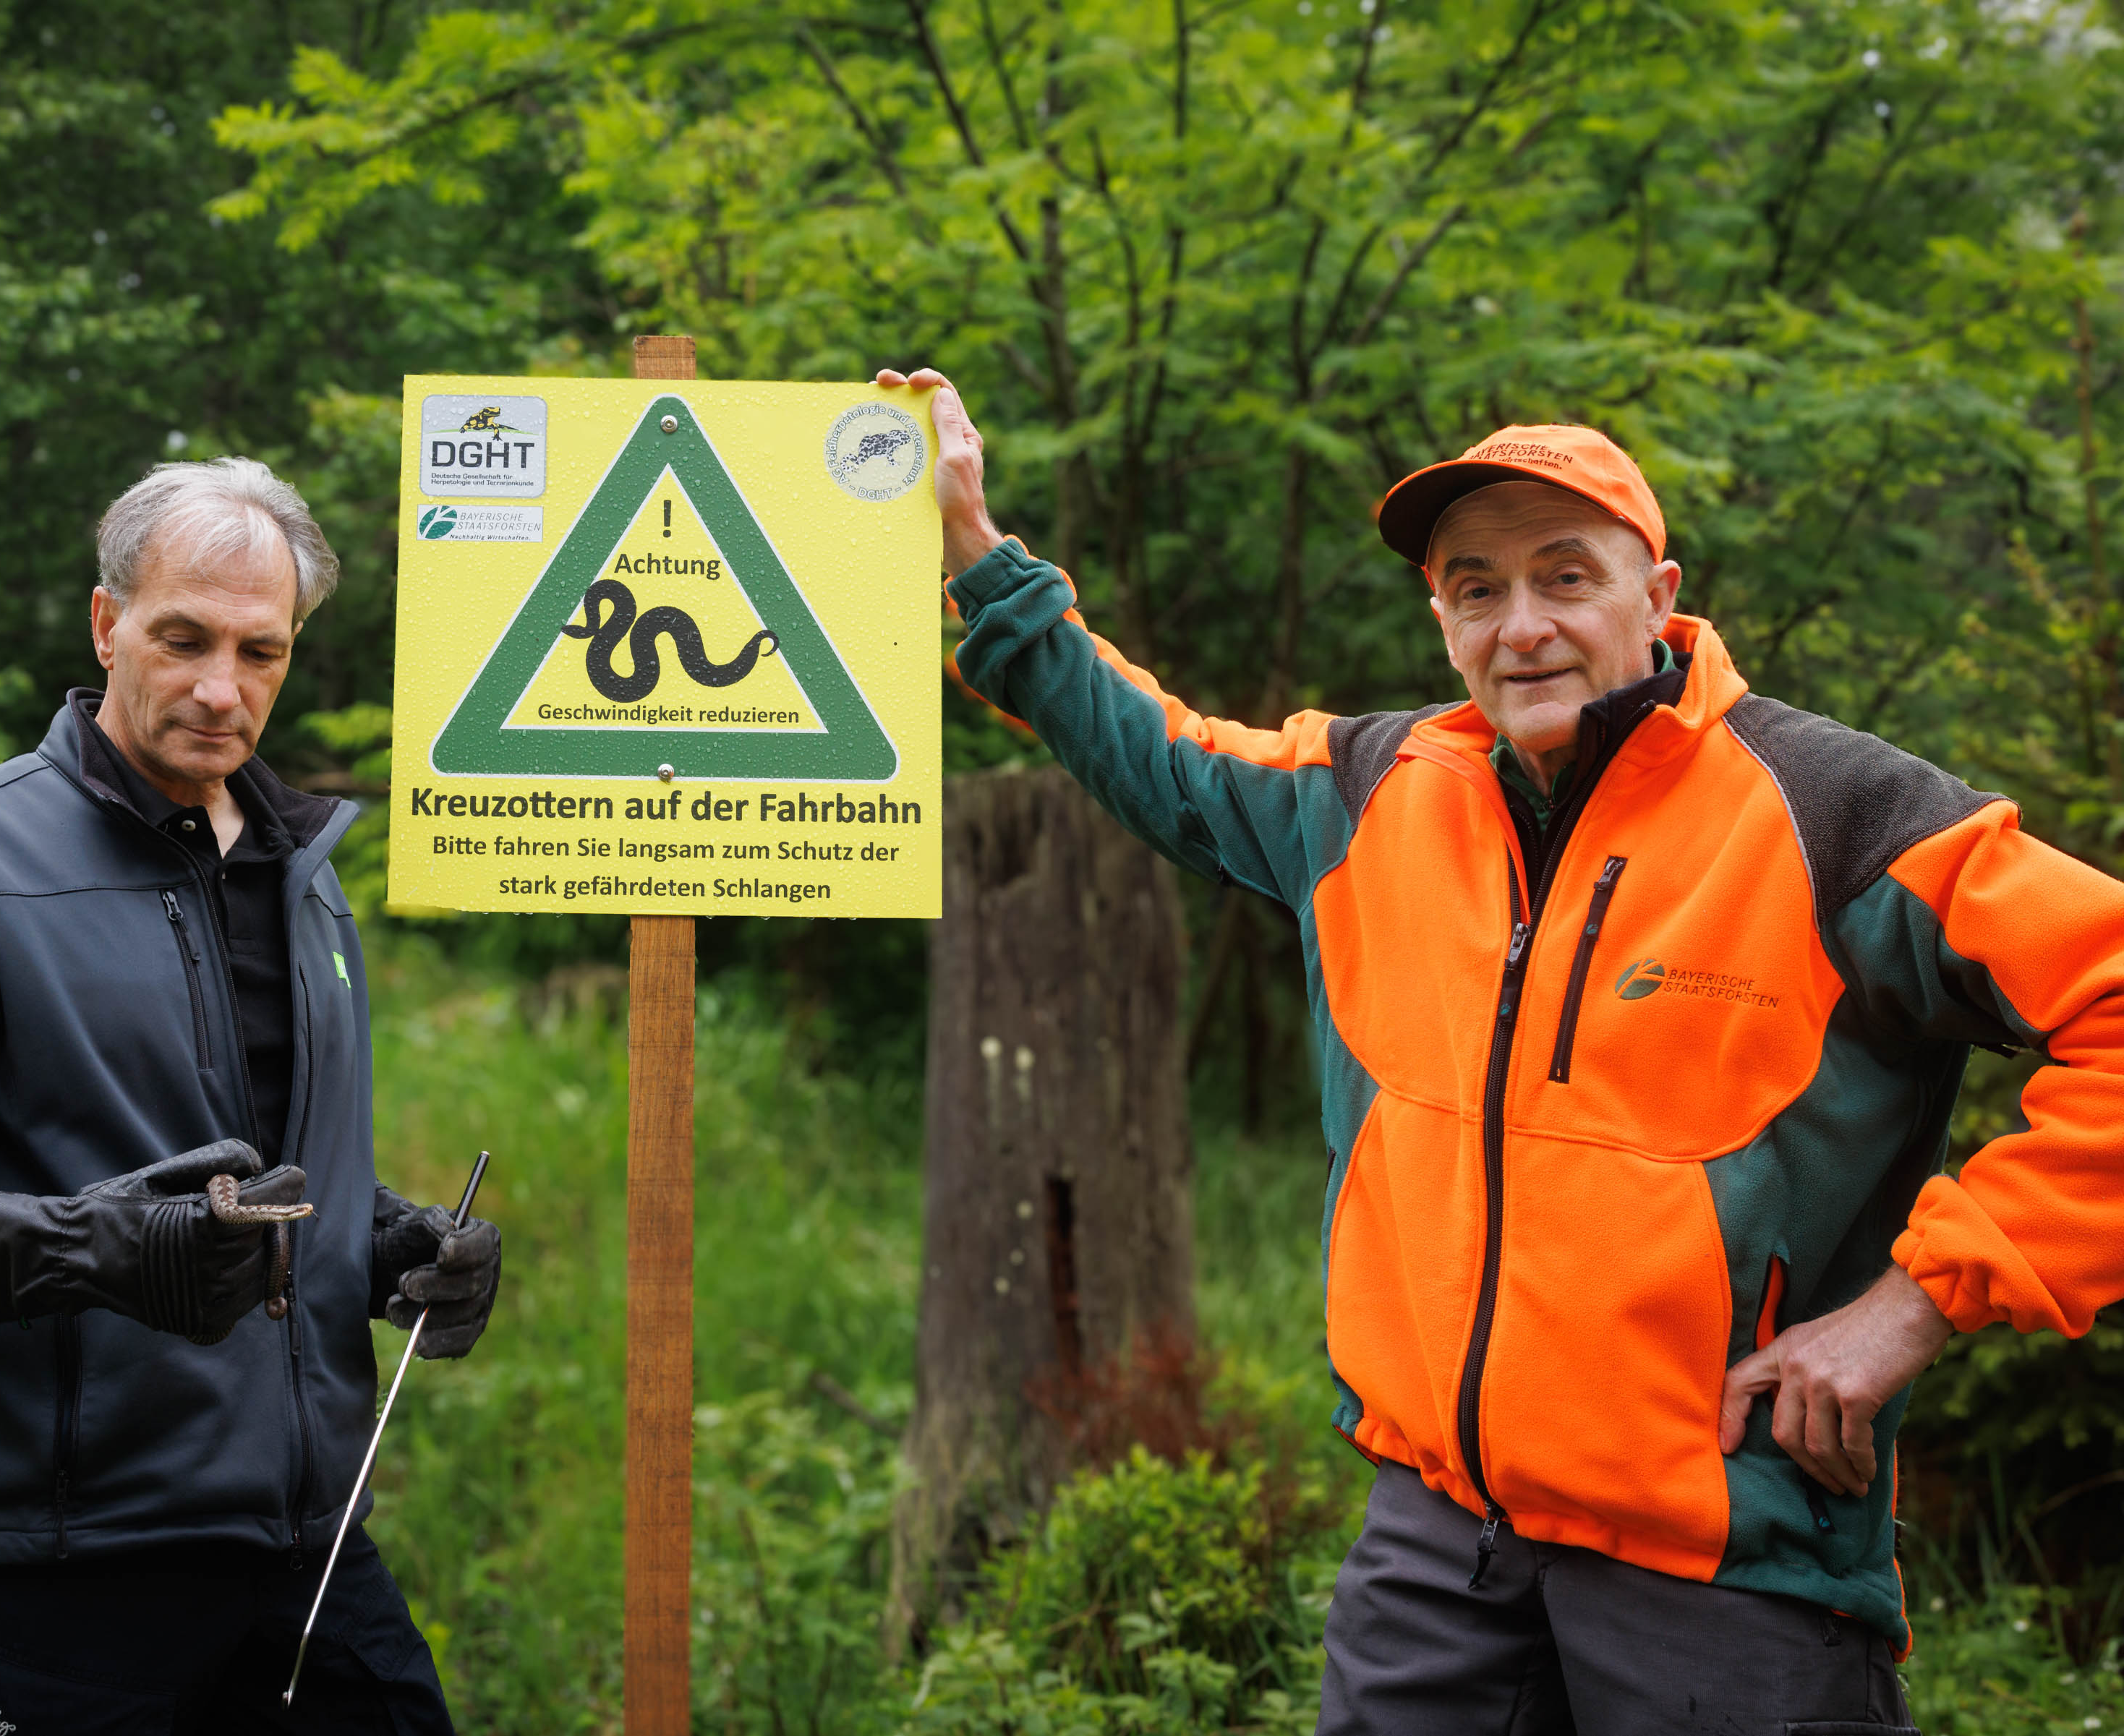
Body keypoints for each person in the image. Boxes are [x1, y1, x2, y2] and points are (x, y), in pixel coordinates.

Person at [879, 367, 2124, 1734]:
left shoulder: (1838, 814)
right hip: (1436, 1548)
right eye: (1476, 588)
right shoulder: (1369, 792)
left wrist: (1916, 1303)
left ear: (1659, 598)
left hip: (1722, 1560)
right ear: (1442, 618)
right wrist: (973, 550)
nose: (1521, 626)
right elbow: (1156, 754)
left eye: (1564, 576)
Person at [0, 457, 502, 1734]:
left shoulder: (302, 877)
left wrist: (380, 1243)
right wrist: (97, 1251)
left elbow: (260, 1175)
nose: (224, 689)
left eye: (260, 651)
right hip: (66, 1575)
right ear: (108, 624)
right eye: (184, 637)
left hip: (311, 1552)